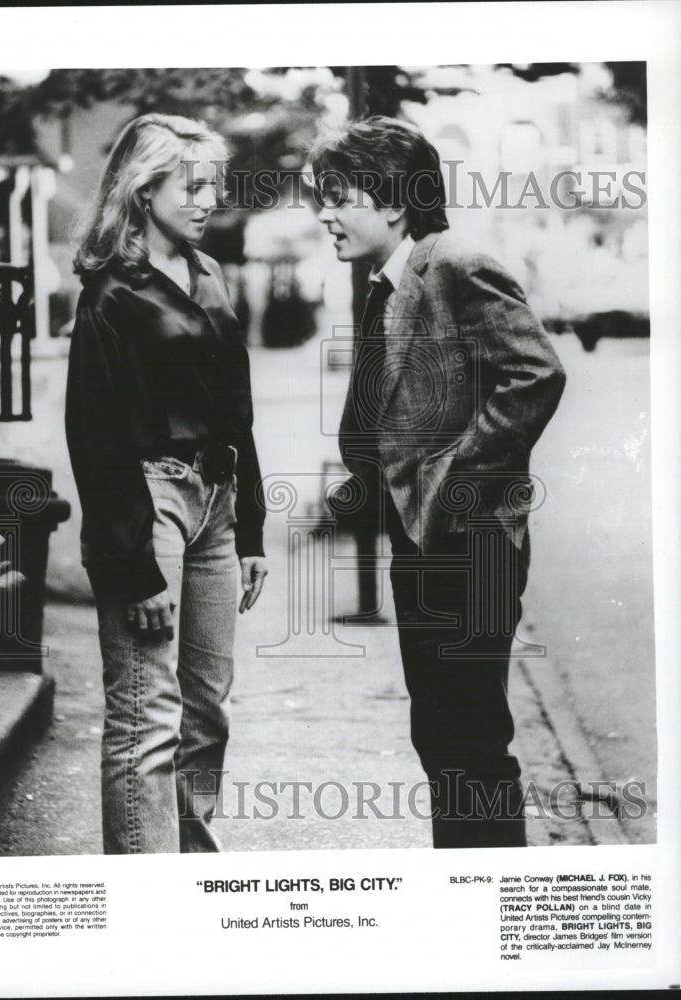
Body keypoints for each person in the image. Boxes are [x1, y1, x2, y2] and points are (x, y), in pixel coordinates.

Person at [312, 117, 566, 848]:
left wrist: (450, 482)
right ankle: (467, 892)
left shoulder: (454, 262)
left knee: (473, 743)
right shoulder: (386, 278)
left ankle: (489, 906)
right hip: (423, 546)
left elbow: (535, 374)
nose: (325, 213)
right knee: (442, 737)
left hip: (471, 545)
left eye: (337, 195)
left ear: (392, 200)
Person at [65, 113, 267, 853]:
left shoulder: (208, 274)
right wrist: (134, 565)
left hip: (215, 504)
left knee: (206, 710)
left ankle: (187, 863)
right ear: (143, 189)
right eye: (192, 184)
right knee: (148, 715)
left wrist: (250, 528)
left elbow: (236, 409)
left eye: (214, 182)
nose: (208, 197)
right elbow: (95, 437)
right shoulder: (112, 293)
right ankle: (143, 900)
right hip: (147, 503)